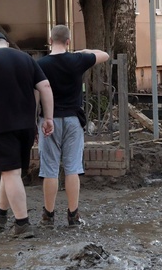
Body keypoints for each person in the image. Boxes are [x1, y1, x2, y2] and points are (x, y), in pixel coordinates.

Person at [0, 31, 55, 238]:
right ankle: (0, 215)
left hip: (2, 126)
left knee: (11, 173)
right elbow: (45, 86)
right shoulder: (26, 58)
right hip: (26, 126)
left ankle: (22, 224)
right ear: (6, 43)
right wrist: (48, 117)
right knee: (10, 171)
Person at [36, 25, 109, 228]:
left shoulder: (40, 64)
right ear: (68, 41)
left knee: (49, 168)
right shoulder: (77, 60)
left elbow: (36, 94)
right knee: (72, 168)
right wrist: (80, 52)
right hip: (73, 120)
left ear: (50, 40)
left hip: (48, 120)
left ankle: (48, 216)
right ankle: (73, 215)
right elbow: (104, 54)